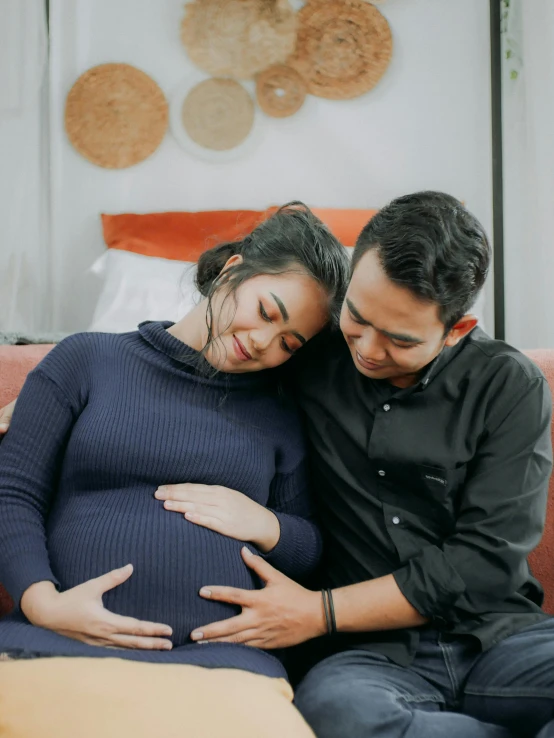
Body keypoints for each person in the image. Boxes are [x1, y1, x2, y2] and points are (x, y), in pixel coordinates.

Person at [140, 192, 552, 738]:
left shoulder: (508, 385)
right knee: (340, 716)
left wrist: (319, 612)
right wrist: (53, 394)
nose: (369, 349)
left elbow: (484, 560)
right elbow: (200, 343)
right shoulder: (307, 348)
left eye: (401, 340)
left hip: (500, 637)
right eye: (358, 316)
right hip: (368, 660)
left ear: (456, 328)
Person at [0, 202, 350, 681]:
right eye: (266, 311)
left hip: (223, 662)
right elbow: (13, 491)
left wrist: (266, 523)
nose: (264, 342)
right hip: (56, 642)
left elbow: (311, 550)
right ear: (232, 270)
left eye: (289, 343)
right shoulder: (87, 359)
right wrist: (43, 606)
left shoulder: (281, 412)